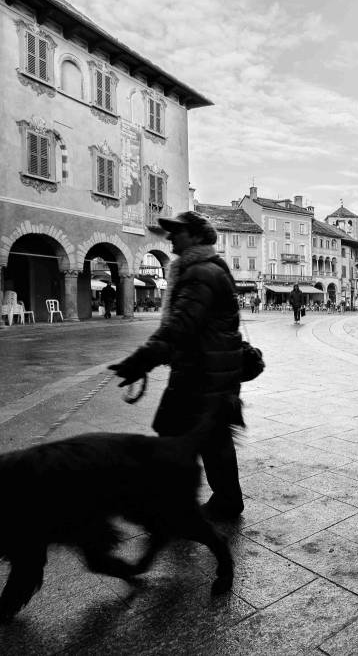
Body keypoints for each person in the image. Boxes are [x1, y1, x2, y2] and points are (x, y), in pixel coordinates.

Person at [108, 211, 245, 520]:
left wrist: (139, 361)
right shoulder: (204, 270)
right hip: (210, 371)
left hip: (202, 374)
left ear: (197, 236)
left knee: (181, 435)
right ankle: (220, 499)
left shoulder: (200, 274)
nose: (170, 237)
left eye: (177, 232)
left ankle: (183, 501)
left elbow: (180, 327)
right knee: (210, 438)